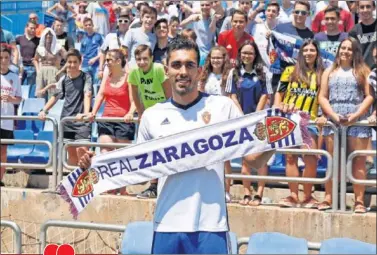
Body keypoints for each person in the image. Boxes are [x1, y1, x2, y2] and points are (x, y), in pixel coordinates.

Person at [78, 38, 273, 254]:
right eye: (177, 65)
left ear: (199, 71)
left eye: (189, 65)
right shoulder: (152, 116)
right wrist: (94, 166)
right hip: (167, 225)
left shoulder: (222, 108)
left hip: (211, 226)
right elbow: (139, 173)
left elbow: (254, 160)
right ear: (167, 70)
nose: (183, 71)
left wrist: (281, 137)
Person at [318, 37, 374, 213]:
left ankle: (358, 201)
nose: (345, 51)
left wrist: (356, 115)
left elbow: (369, 96)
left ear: (355, 51)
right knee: (333, 162)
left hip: (355, 120)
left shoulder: (363, 71)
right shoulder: (329, 71)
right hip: (334, 121)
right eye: (343, 48)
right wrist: (332, 115)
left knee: (358, 161)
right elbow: (322, 96)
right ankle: (329, 198)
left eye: (349, 49)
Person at [274, 39, 325, 208]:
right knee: (290, 158)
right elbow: (279, 94)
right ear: (300, 53)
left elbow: (325, 98)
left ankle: (308, 196)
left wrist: (323, 115)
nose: (309, 53)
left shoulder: (322, 74)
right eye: (306, 50)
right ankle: (293, 196)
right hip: (290, 119)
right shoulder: (289, 70)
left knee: (311, 158)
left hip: (309, 121)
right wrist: (278, 106)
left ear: (317, 53)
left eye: (312, 50)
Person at [83, 49, 135, 195]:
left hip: (123, 121)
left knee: (122, 156)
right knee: (105, 153)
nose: (107, 63)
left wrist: (131, 112)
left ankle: (123, 188)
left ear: (119, 61)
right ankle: (109, 187)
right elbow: (100, 95)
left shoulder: (129, 77)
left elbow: (133, 99)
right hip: (107, 119)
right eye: (106, 60)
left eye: (110, 60)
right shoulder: (107, 76)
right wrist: (93, 112)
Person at [225, 40, 270, 206]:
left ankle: (259, 193)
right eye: (244, 53)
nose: (247, 56)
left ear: (255, 55)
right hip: (242, 121)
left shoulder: (262, 72)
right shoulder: (234, 73)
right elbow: (232, 96)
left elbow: (266, 95)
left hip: (259, 120)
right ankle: (246, 192)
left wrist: (256, 116)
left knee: (261, 158)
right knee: (246, 159)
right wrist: (242, 116)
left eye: (250, 53)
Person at [128, 44, 171, 199]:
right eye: (138, 59)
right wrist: (141, 113)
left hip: (165, 115)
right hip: (150, 116)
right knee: (151, 150)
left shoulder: (158, 69)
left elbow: (168, 93)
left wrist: (168, 114)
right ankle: (153, 185)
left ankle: (162, 184)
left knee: (163, 150)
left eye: (145, 59)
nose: (142, 62)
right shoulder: (134, 72)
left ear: (152, 58)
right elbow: (134, 93)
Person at [39, 49, 92, 167]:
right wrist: (44, 110)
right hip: (67, 121)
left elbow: (87, 94)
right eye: (69, 62)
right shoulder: (63, 79)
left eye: (75, 62)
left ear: (80, 62)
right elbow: (55, 96)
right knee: (72, 157)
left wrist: (86, 114)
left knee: (83, 155)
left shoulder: (86, 77)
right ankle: (74, 184)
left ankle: (86, 184)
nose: (72, 65)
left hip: (82, 122)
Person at [198, 45, 233, 202]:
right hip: (206, 118)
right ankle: (207, 189)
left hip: (223, 117)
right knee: (206, 156)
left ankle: (226, 190)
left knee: (224, 157)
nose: (216, 60)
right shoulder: (205, 75)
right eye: (213, 58)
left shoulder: (230, 74)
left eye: (219, 57)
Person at [0, 45, 22, 187]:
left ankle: (0, 179)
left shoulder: (14, 77)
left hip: (7, 121)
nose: (3, 60)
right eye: (1, 58)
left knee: (3, 152)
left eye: (6, 58)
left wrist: (11, 99)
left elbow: (19, 99)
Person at [180, 1, 217, 66]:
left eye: (207, 5)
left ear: (211, 5)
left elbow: (212, 29)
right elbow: (181, 25)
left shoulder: (213, 18)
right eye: (202, 5)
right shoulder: (195, 17)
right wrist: (191, 20)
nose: (204, 7)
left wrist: (213, 18)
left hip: (209, 54)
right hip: (196, 52)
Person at [34, 28, 67, 99]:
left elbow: (68, 59)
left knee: (52, 94)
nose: (48, 36)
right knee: (39, 94)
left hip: (54, 71)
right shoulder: (40, 48)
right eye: (47, 35)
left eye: (50, 35)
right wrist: (38, 70)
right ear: (43, 36)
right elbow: (35, 60)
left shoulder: (58, 48)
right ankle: (40, 109)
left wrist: (61, 71)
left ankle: (52, 110)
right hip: (41, 71)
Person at [98, 12, 131, 80]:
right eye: (120, 21)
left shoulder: (132, 36)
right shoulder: (110, 36)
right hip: (111, 67)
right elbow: (102, 52)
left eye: (126, 21)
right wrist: (100, 69)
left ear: (129, 23)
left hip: (127, 67)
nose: (123, 23)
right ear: (117, 23)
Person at [349, 0, 377, 68]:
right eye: (362, 7)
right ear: (358, 9)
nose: (365, 10)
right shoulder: (353, 31)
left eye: (368, 6)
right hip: (362, 70)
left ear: (374, 7)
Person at [80, 17, 103, 85]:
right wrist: (80, 66)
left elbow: (103, 51)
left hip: (96, 65)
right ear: (84, 27)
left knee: (96, 86)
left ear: (93, 25)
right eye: (86, 25)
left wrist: (95, 59)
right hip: (85, 66)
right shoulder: (83, 39)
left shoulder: (98, 36)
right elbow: (82, 54)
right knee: (87, 87)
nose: (88, 26)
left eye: (90, 24)